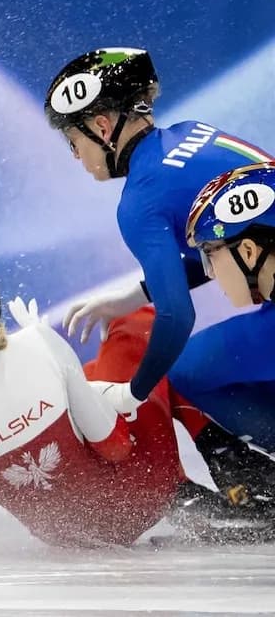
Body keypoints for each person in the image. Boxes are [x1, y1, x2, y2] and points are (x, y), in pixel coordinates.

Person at [0, 254, 268, 554]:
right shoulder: (37, 344)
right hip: (146, 491)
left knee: (91, 373)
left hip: (70, 537)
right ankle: (232, 465)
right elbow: (117, 447)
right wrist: (101, 392)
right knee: (140, 326)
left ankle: (199, 490)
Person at [44, 47, 275, 498]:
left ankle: (248, 480)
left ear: (103, 126)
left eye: (74, 142)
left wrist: (132, 392)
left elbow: (176, 317)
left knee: (180, 369)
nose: (76, 157)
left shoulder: (140, 200)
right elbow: (246, 236)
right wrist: (138, 294)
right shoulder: (195, 133)